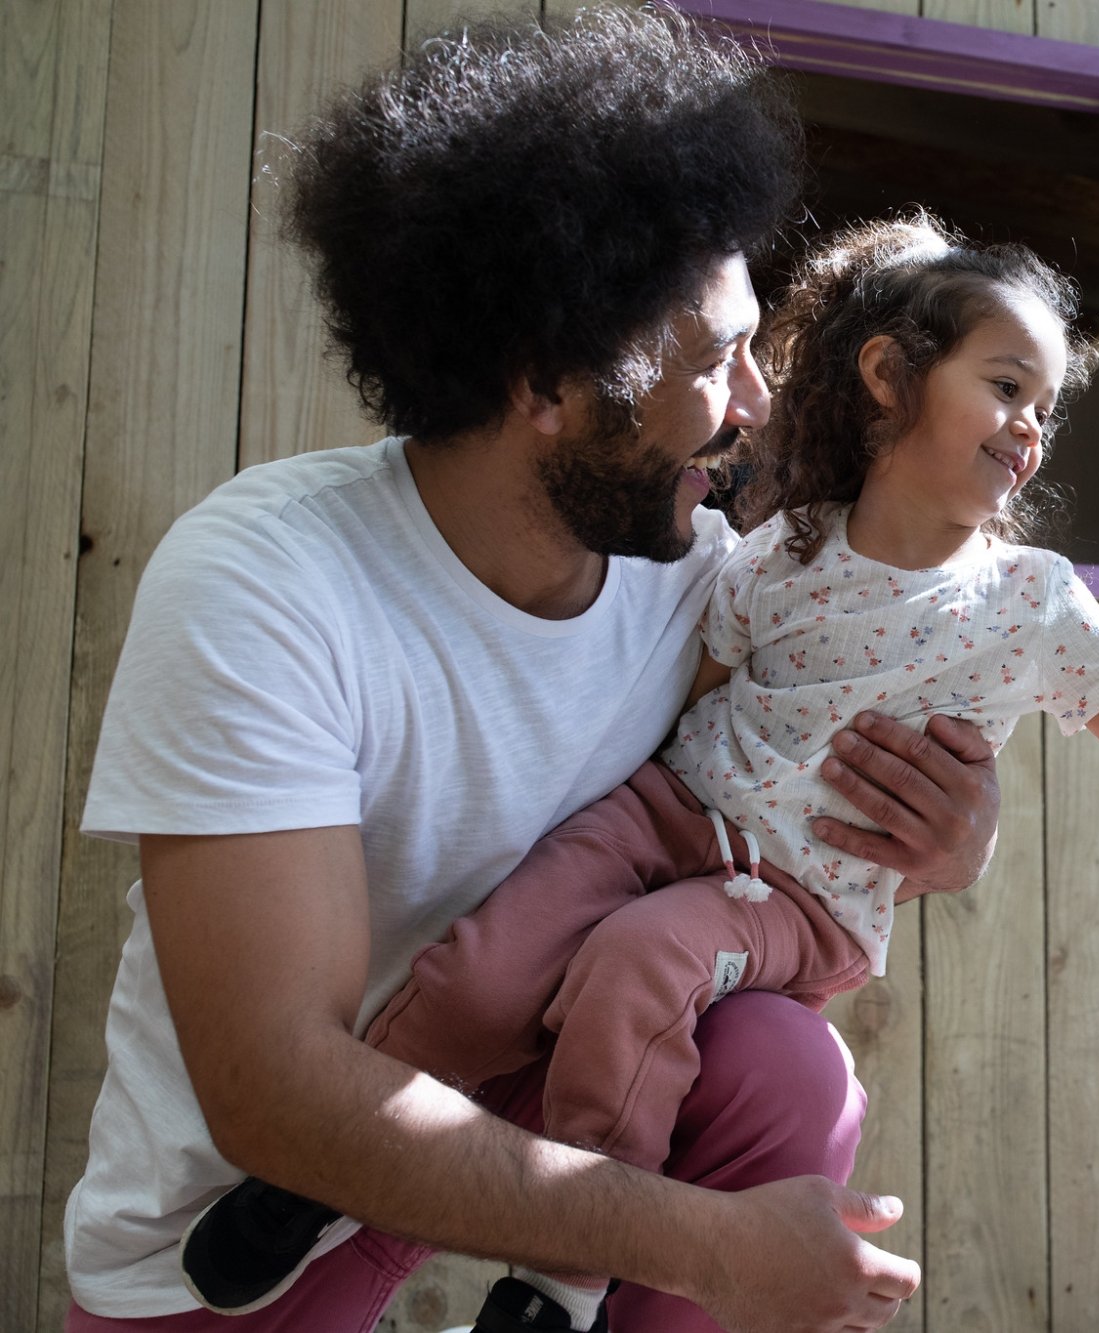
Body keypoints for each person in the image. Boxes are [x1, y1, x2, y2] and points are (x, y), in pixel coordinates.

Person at [64, 11, 1007, 1333]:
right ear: (550, 382)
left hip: (527, 1104)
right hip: (244, 1227)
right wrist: (718, 1249)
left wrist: (944, 834)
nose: (750, 403)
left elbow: (796, 817)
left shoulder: (700, 590)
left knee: (787, 1067)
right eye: (714, 357)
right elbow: (278, 1090)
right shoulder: (265, 585)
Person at [187, 212, 1099, 1333]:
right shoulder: (784, 548)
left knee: (639, 957)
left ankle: (558, 1287)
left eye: (1047, 409)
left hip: (798, 891)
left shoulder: (1030, 600)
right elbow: (696, 696)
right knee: (486, 959)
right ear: (889, 375)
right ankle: (311, 1180)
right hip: (674, 815)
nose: (1031, 429)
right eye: (1008, 386)